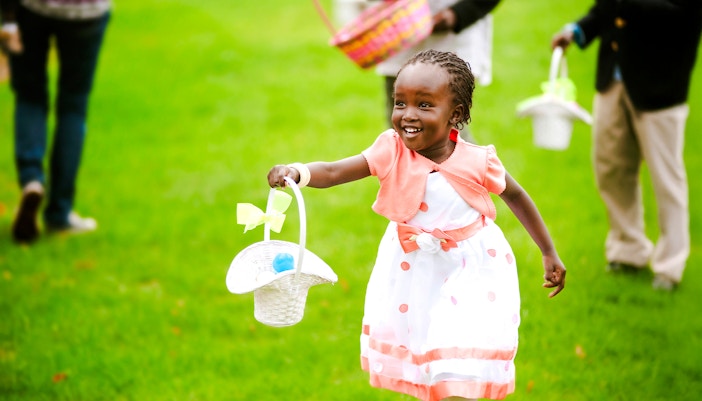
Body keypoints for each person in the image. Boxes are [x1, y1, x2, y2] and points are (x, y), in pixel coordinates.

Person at [268, 50, 566, 401]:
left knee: (455, 361)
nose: (408, 115)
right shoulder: (391, 150)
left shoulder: (478, 160)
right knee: (426, 361)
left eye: (424, 105)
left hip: (470, 268)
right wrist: (297, 172)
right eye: (400, 103)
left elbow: (516, 196)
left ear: (455, 115)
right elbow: (334, 171)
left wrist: (548, 250)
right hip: (412, 270)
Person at [551, 1, 702, 291]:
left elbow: (681, 12)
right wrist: (578, 30)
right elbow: (606, 7)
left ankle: (670, 266)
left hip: (661, 83)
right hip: (613, 78)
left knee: (666, 179)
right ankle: (627, 250)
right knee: (610, 168)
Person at [0, 0, 111, 243]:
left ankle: (31, 179)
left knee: (30, 97)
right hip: (88, 13)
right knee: (73, 106)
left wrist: (7, 19)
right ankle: (59, 212)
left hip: (33, 8)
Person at [376, 0, 501, 137]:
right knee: (400, 137)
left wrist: (457, 14)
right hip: (400, 37)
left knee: (446, 137)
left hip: (453, 40)